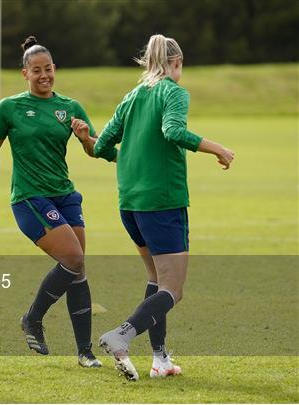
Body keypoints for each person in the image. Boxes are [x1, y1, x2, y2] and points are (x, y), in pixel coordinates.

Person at [71, 34, 235, 380]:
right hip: (162, 203)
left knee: (155, 279)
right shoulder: (173, 92)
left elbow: (101, 148)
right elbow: (173, 131)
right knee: (173, 290)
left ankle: (160, 359)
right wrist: (216, 147)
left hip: (130, 205)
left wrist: (93, 141)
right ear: (177, 62)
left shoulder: (131, 97)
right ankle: (122, 335)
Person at [0, 36, 115, 367]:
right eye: (36, 70)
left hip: (65, 195)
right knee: (73, 256)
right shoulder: (10, 107)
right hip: (29, 197)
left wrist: (85, 137)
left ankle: (84, 352)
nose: (44, 75)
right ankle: (32, 318)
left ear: (55, 69)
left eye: (48, 69)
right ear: (24, 73)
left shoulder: (70, 107)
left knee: (78, 268)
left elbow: (97, 149)